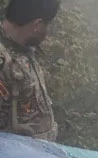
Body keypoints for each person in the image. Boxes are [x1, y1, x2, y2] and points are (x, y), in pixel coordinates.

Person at [0, 0, 60, 141]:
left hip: (37, 154)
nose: (47, 32)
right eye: (47, 25)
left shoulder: (26, 50)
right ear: (37, 25)